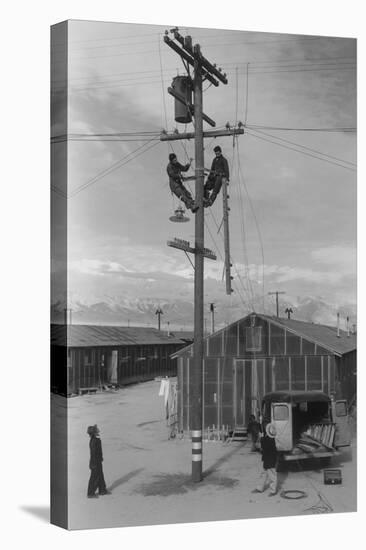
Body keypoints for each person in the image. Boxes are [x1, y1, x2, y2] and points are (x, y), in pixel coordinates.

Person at [252, 423, 278, 496]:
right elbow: (262, 446)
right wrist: (261, 438)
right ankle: (259, 488)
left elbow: (262, 446)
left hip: (270, 461)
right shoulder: (268, 438)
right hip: (267, 460)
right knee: (264, 474)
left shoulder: (270, 440)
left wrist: (260, 438)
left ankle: (273, 491)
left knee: (272, 475)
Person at [87, 424, 111, 498]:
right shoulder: (95, 441)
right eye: (96, 430)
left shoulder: (95, 440)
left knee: (100, 475)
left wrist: (100, 458)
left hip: (97, 461)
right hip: (95, 462)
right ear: (93, 433)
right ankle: (90, 493)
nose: (98, 431)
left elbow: (98, 452)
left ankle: (102, 490)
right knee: (94, 477)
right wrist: (95, 463)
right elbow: (94, 453)